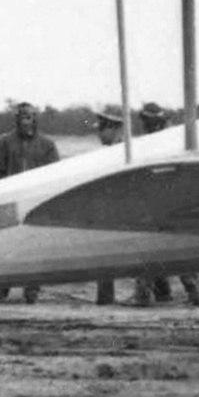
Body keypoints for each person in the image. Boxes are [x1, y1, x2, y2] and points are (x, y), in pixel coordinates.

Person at [131, 102, 199, 308]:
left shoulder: (159, 143)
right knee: (176, 251)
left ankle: (146, 295)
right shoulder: (173, 140)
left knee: (152, 251)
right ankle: (192, 293)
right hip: (168, 203)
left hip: (164, 203)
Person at [0, 102, 60, 304]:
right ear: (17, 120)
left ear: (35, 119)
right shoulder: (4, 143)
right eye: (22, 117)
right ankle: (3, 289)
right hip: (9, 204)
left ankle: (32, 290)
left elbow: (57, 176)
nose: (25, 121)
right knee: (5, 246)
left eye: (29, 117)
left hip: (37, 204)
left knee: (35, 247)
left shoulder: (47, 145)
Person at [91, 113, 125, 306]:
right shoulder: (113, 151)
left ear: (112, 129)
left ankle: (105, 298)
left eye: (101, 130)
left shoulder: (119, 152)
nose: (99, 134)